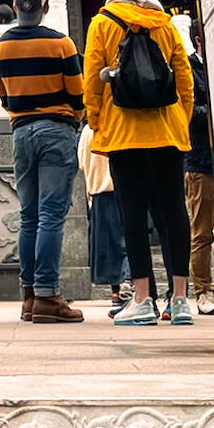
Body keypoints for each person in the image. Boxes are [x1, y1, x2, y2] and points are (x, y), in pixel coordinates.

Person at [83, 0, 195, 327]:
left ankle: (143, 299)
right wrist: (181, 119)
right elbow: (185, 79)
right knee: (173, 210)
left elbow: (93, 84)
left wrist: (99, 125)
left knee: (131, 212)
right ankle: (179, 300)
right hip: (167, 131)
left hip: (122, 133)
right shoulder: (164, 25)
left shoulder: (102, 23)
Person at [0, 0, 85, 324]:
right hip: (56, 130)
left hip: (21, 132)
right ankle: (48, 293)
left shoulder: (0, 46)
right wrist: (71, 120)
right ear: (45, 8)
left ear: (17, 7)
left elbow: (4, 96)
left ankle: (29, 295)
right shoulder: (61, 44)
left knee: (28, 216)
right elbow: (77, 94)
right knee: (51, 217)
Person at [185, 26, 214, 315]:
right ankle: (203, 290)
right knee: (202, 231)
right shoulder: (188, 68)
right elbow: (186, 111)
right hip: (201, 161)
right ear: (200, 39)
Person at [77, 123, 130, 310]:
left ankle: (116, 290)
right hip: (124, 188)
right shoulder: (119, 122)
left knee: (109, 245)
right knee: (128, 238)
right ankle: (128, 280)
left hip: (99, 191)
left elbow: (82, 163)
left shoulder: (87, 130)